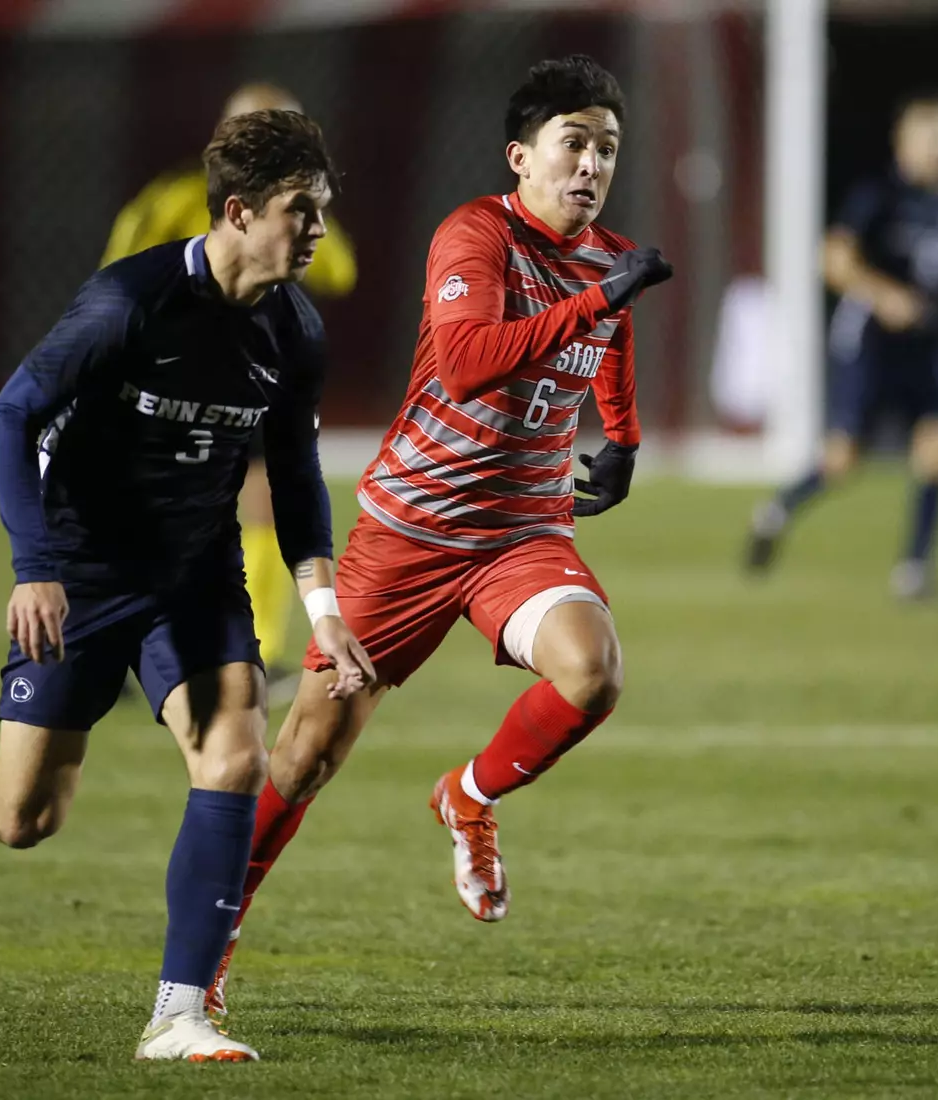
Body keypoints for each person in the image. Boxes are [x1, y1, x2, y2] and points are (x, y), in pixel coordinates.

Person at [0, 109, 373, 1063]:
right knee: (27, 816)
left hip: (196, 577)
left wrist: (322, 610)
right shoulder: (129, 301)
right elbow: (12, 415)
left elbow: (298, 480)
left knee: (233, 758)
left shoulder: (294, 330)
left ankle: (179, 1014)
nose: (318, 228)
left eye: (322, 208)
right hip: (82, 574)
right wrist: (35, 569)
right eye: (300, 209)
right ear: (239, 212)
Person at [197, 54, 673, 1024]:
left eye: (607, 149)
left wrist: (621, 436)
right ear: (521, 157)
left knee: (593, 671)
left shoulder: (609, 259)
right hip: (411, 533)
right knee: (304, 756)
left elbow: (610, 339)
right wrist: (597, 301)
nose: (591, 164)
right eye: (574, 144)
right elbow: (464, 363)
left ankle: (468, 795)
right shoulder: (475, 235)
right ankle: (209, 944)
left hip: (520, 535)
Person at [104, 81, 359, 694]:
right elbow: (117, 274)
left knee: (265, 499)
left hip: (254, 370)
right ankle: (127, 642)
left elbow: (340, 272)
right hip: (170, 375)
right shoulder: (175, 199)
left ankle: (256, 651)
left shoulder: (299, 211)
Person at [744, 92, 938, 599]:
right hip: (870, 343)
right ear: (905, 141)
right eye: (935, 138)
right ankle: (777, 510)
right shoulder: (878, 195)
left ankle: (914, 571)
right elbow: (834, 260)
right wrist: (884, 296)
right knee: (843, 460)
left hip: (925, 342)